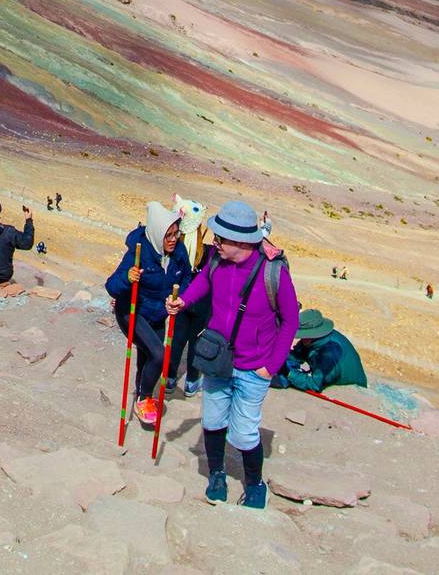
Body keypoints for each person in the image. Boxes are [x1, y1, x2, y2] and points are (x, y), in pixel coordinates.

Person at [164, 200, 297, 510]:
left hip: (255, 367)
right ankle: (218, 475)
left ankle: (254, 484)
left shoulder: (272, 272)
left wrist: (271, 367)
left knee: (244, 432)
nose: (215, 242)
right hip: (218, 359)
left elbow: (291, 321)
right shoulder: (216, 261)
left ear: (240, 241)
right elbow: (203, 282)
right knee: (212, 421)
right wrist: (183, 301)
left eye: (220, 238)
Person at [104, 201, 194, 427]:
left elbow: (186, 279)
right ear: (157, 234)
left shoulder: (179, 252)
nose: (174, 239)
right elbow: (112, 286)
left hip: (158, 314)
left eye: (176, 234)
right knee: (159, 355)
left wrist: (178, 296)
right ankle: (144, 398)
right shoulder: (139, 252)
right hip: (132, 312)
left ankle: (141, 394)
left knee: (147, 358)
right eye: (169, 235)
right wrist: (128, 278)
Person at [278, 308, 366, 393]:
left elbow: (315, 385)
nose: (301, 338)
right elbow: (296, 355)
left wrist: (289, 373)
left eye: (304, 335)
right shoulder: (312, 340)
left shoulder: (330, 353)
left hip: (350, 386)